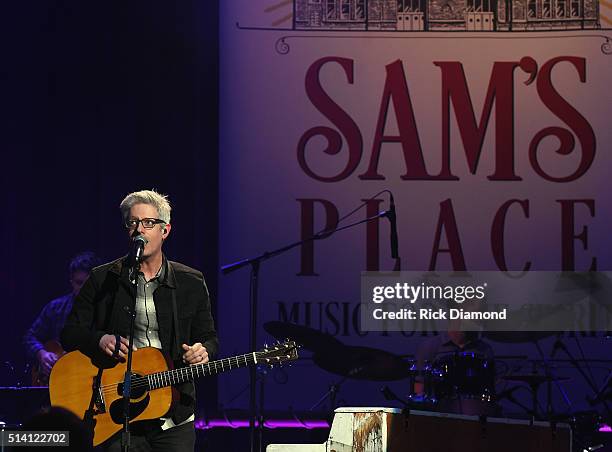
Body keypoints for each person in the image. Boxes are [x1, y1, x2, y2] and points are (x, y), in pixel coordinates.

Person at [61, 189, 218, 452]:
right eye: (132, 223)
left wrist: (203, 351)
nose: (139, 230)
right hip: (118, 414)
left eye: (148, 223)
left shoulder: (191, 281)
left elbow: (210, 338)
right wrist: (99, 339)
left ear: (165, 230)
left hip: (173, 414)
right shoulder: (103, 279)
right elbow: (69, 333)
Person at [23, 252, 100, 384]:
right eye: (79, 283)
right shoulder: (55, 308)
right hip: (57, 382)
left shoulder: (108, 311)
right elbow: (30, 337)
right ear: (71, 281)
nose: (83, 289)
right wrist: (42, 354)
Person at [412, 327, 496, 415]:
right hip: (438, 409)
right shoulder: (430, 346)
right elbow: (419, 382)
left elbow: (490, 385)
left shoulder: (484, 348)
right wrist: (420, 405)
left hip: (477, 409)